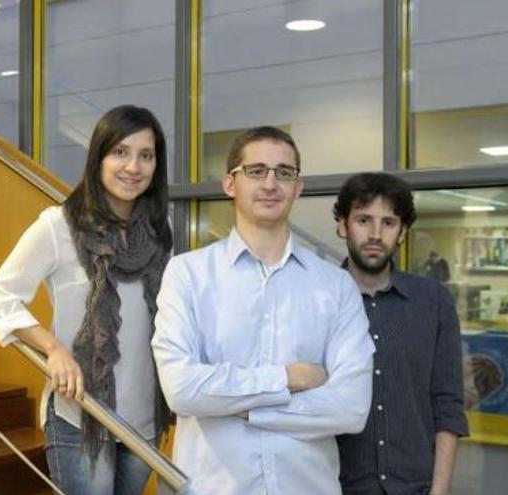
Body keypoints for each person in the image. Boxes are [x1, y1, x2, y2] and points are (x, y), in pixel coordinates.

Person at [152, 126, 374, 495]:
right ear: (229, 184)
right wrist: (286, 378)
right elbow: (182, 390)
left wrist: (245, 409)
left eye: (284, 173)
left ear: (297, 187)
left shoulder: (335, 286)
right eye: (256, 171)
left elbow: (351, 408)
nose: (271, 183)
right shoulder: (187, 274)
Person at [0, 105, 172, 495]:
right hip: (80, 411)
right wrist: (53, 350)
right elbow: (1, 298)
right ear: (98, 157)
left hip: (144, 417)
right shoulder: (59, 225)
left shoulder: (159, 231)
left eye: (146, 155)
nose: (133, 166)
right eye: (120, 152)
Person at [333, 172, 468, 495]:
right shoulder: (318, 300)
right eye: (364, 220)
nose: (376, 234)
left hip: (416, 488)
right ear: (342, 225)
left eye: (389, 222)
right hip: (334, 486)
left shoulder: (433, 300)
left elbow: (447, 403)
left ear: (403, 231)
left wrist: (439, 492)